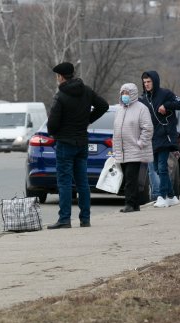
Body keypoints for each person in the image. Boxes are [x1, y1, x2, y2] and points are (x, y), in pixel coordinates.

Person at [46, 62, 109, 229]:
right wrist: (87, 119)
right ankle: (85, 219)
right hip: (82, 142)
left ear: (60, 77)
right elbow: (104, 106)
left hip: (65, 143)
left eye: (57, 76)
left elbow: (52, 125)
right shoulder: (86, 90)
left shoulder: (61, 96)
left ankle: (65, 219)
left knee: (65, 181)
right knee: (82, 182)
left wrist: (57, 131)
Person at [139, 70, 180, 208]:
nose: (147, 84)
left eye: (149, 82)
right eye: (145, 82)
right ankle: (172, 196)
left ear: (154, 81)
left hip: (166, 135)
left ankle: (162, 196)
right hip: (152, 138)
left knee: (162, 167)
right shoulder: (143, 98)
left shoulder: (165, 94)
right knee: (156, 168)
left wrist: (166, 106)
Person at [113, 83, 153, 213]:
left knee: (130, 178)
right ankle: (135, 204)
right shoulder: (119, 109)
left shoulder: (141, 108)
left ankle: (129, 203)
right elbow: (116, 130)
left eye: (127, 93)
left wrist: (140, 143)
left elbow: (148, 128)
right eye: (123, 93)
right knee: (128, 177)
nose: (125, 96)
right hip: (122, 150)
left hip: (134, 149)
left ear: (133, 94)